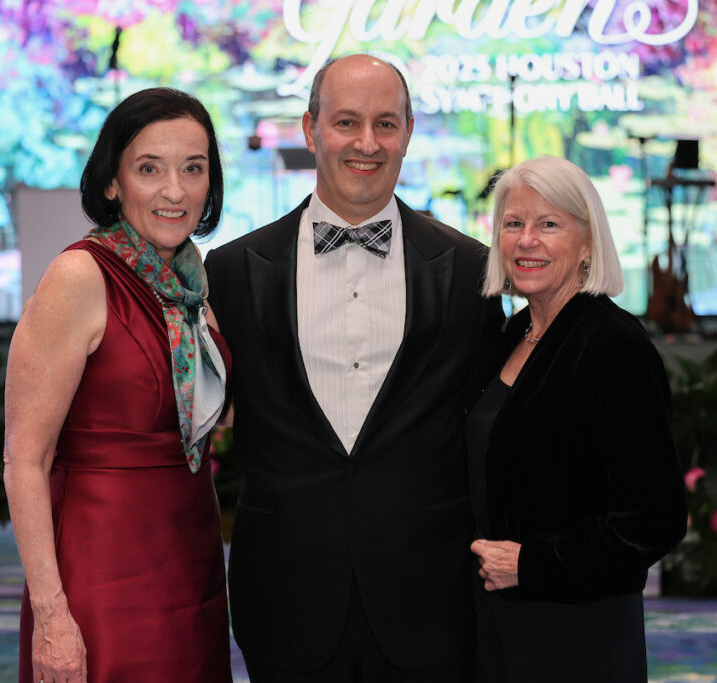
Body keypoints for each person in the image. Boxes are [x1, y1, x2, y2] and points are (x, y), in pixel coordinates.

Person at [204, 54, 504, 681]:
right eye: (346, 122)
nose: (367, 144)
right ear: (311, 130)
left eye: (385, 124)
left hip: (428, 599)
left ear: (409, 131)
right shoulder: (231, 272)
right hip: (285, 597)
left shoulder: (471, 271)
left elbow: (489, 431)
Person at [2, 87, 232, 683]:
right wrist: (53, 614)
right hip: (102, 574)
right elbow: (25, 460)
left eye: (193, 168)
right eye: (149, 168)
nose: (175, 190)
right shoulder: (80, 275)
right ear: (112, 182)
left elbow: (209, 419)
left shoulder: (191, 283)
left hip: (193, 566)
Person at [467, 155, 688, 682]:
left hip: (577, 633)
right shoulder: (511, 335)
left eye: (549, 224)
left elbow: (654, 519)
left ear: (588, 242)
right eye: (513, 224)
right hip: (498, 626)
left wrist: (533, 565)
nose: (526, 240)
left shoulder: (614, 346)